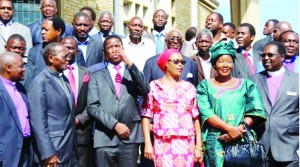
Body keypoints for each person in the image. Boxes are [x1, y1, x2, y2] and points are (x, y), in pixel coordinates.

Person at [197, 41, 266, 167]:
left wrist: (239, 130)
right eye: (221, 61)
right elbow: (206, 112)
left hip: (242, 138)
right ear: (214, 64)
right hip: (216, 142)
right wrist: (230, 129)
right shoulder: (205, 86)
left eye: (228, 61)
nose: (225, 65)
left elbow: (255, 109)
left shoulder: (246, 84)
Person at [87, 35, 150, 167]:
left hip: (130, 136)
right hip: (105, 138)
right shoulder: (96, 76)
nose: (115, 50)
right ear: (104, 53)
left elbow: (145, 89)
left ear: (123, 48)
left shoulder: (131, 72)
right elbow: (92, 107)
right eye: (110, 47)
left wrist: (128, 62)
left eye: (117, 46)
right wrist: (115, 124)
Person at [141, 49, 203, 167]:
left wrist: (198, 146)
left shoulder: (189, 88)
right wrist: (148, 143)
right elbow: (146, 115)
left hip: (186, 144)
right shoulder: (154, 86)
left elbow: (196, 118)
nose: (180, 65)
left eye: (182, 62)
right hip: (163, 144)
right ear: (165, 64)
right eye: (176, 61)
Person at [28, 43, 79, 166]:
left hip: (69, 147)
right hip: (54, 149)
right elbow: (38, 121)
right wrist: (48, 152)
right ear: (51, 58)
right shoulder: (40, 83)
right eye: (64, 56)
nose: (68, 59)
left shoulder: (64, 79)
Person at [251, 41, 299, 167]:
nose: (266, 58)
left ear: (282, 57)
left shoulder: (296, 80)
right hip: (260, 148)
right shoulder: (253, 80)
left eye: (270, 55)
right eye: (263, 55)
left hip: (289, 148)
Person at [62, 36, 93, 167]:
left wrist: (80, 119)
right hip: (61, 131)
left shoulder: (87, 72)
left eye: (70, 48)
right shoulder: (56, 72)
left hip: (82, 131)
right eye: (64, 48)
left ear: (77, 51)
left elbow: (92, 101)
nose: (67, 51)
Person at [0, 52, 31, 167]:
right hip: (6, 155)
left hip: (25, 151)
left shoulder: (20, 87)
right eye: (21, 66)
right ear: (8, 68)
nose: (24, 69)